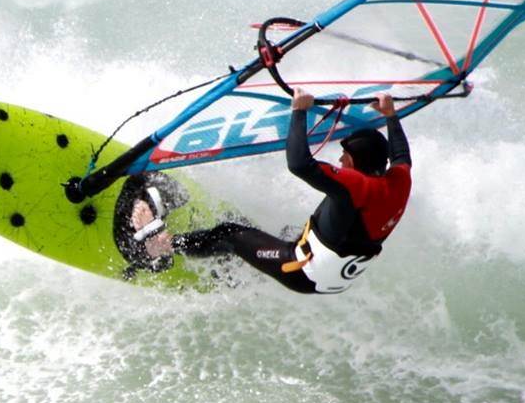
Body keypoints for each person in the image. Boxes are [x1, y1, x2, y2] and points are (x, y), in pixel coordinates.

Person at [175, 90, 412, 294]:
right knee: (282, 231)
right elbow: (401, 155)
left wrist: (299, 111)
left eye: (345, 156)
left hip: (302, 272)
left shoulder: (358, 187)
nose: (340, 160)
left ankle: (165, 246)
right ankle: (240, 266)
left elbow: (299, 164)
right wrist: (391, 115)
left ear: (356, 162)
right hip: (336, 277)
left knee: (229, 232)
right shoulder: (399, 182)